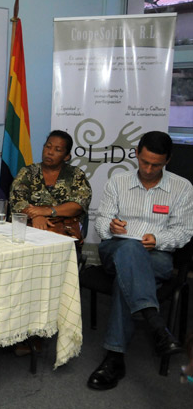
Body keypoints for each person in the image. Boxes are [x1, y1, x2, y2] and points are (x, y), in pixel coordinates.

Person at [88, 131, 193, 390]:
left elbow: (184, 231)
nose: (147, 169)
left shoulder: (182, 188)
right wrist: (111, 226)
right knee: (129, 251)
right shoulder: (118, 181)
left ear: (168, 160)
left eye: (156, 164)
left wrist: (157, 240)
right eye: (144, 161)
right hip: (116, 248)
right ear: (136, 153)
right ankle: (155, 322)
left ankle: (114, 357)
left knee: (128, 275)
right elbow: (101, 221)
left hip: (157, 255)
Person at [9, 130, 92, 247]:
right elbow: (17, 201)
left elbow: (78, 205)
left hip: (63, 232)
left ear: (67, 156)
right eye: (48, 147)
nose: (50, 152)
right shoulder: (27, 172)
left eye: (57, 150)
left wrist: (48, 211)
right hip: (29, 230)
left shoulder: (76, 175)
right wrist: (36, 216)